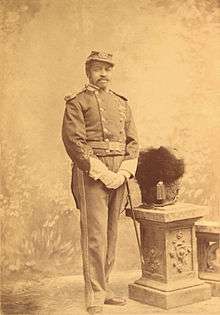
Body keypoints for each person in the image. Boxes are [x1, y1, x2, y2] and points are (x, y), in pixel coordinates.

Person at [62, 51, 139, 314]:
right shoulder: (77, 102)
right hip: (92, 173)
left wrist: (124, 173)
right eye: (98, 69)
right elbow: (74, 142)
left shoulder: (121, 103)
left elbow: (133, 142)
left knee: (111, 234)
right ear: (88, 72)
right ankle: (94, 294)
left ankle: (103, 288)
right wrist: (103, 172)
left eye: (107, 69)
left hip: (119, 174)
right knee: (95, 236)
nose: (103, 74)